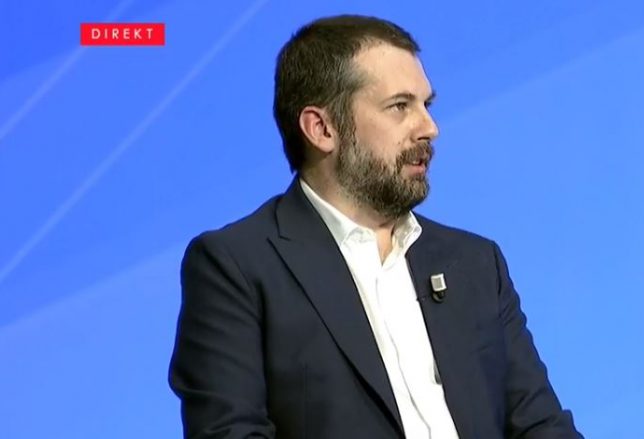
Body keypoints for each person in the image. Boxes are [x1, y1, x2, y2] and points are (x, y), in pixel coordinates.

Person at [169, 14, 583, 439]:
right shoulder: (237, 267)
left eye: (427, 105)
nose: (430, 128)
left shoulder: (475, 263)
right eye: (400, 106)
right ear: (322, 129)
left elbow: (541, 427)